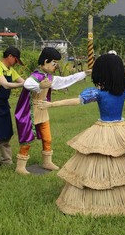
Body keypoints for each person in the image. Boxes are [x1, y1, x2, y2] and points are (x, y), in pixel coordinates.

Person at [38, 53, 125, 216]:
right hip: (120, 128)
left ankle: (96, 200)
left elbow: (77, 100)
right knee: (124, 158)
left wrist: (52, 104)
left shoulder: (97, 93)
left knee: (98, 159)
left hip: (103, 128)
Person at [14, 47, 89, 175]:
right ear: (46, 61)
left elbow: (65, 80)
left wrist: (83, 74)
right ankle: (20, 166)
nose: (55, 66)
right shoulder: (36, 76)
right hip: (30, 112)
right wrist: (39, 86)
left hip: (43, 110)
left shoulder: (49, 77)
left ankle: (47, 161)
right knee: (27, 138)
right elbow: (27, 84)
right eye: (54, 63)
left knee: (47, 138)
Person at [0, 46, 25, 171]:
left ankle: (7, 161)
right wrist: (22, 85)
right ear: (10, 57)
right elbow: (6, 85)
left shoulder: (10, 70)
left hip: (3, 104)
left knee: (6, 134)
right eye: (16, 61)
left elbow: (23, 81)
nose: (16, 64)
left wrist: (34, 83)